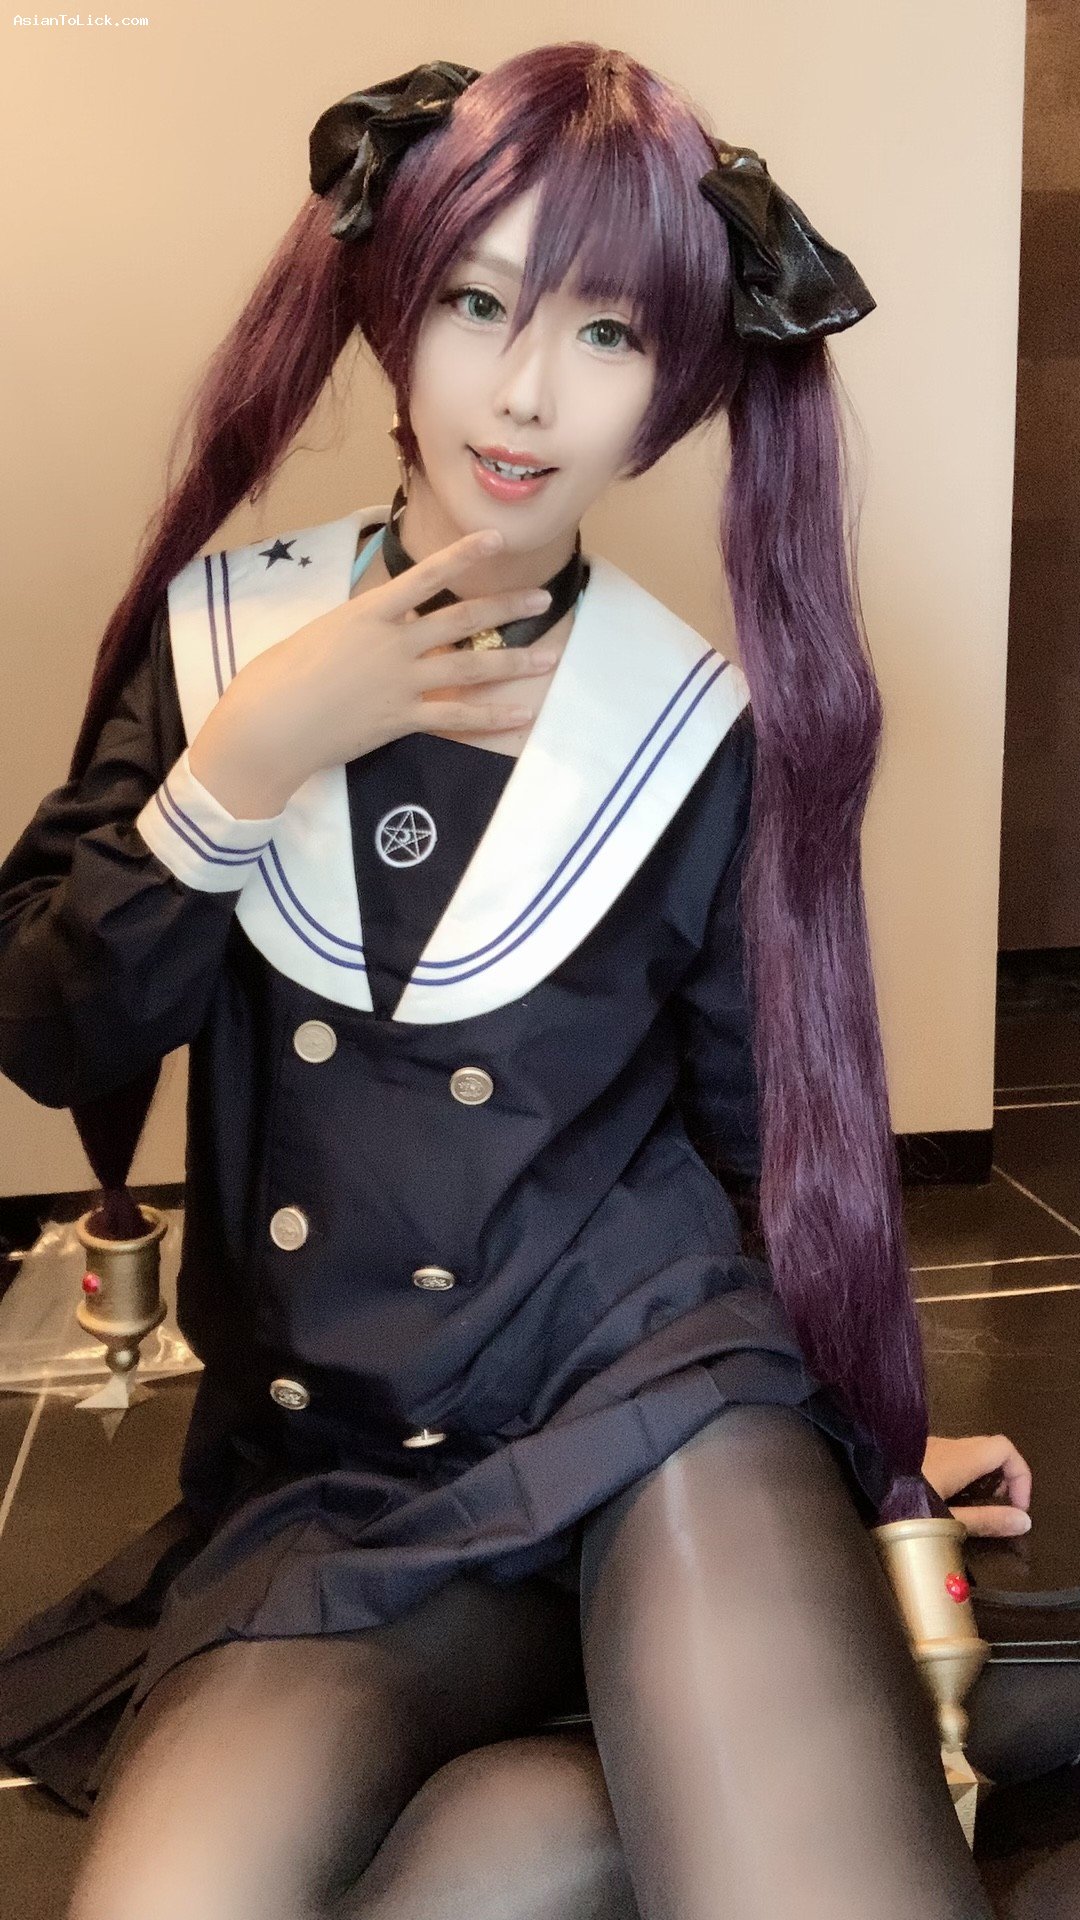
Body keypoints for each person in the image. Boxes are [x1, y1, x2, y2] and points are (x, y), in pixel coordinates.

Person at [0, 41, 1008, 1919]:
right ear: (394, 303)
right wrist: (247, 762)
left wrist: (868, 1427)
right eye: (478, 302)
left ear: (678, 381)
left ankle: (653, 1743)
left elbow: (756, 1139)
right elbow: (56, 1027)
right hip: (344, 1475)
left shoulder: (691, 728)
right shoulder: (224, 643)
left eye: (608, 333)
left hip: (657, 1395)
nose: (528, 390)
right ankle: (601, 1780)